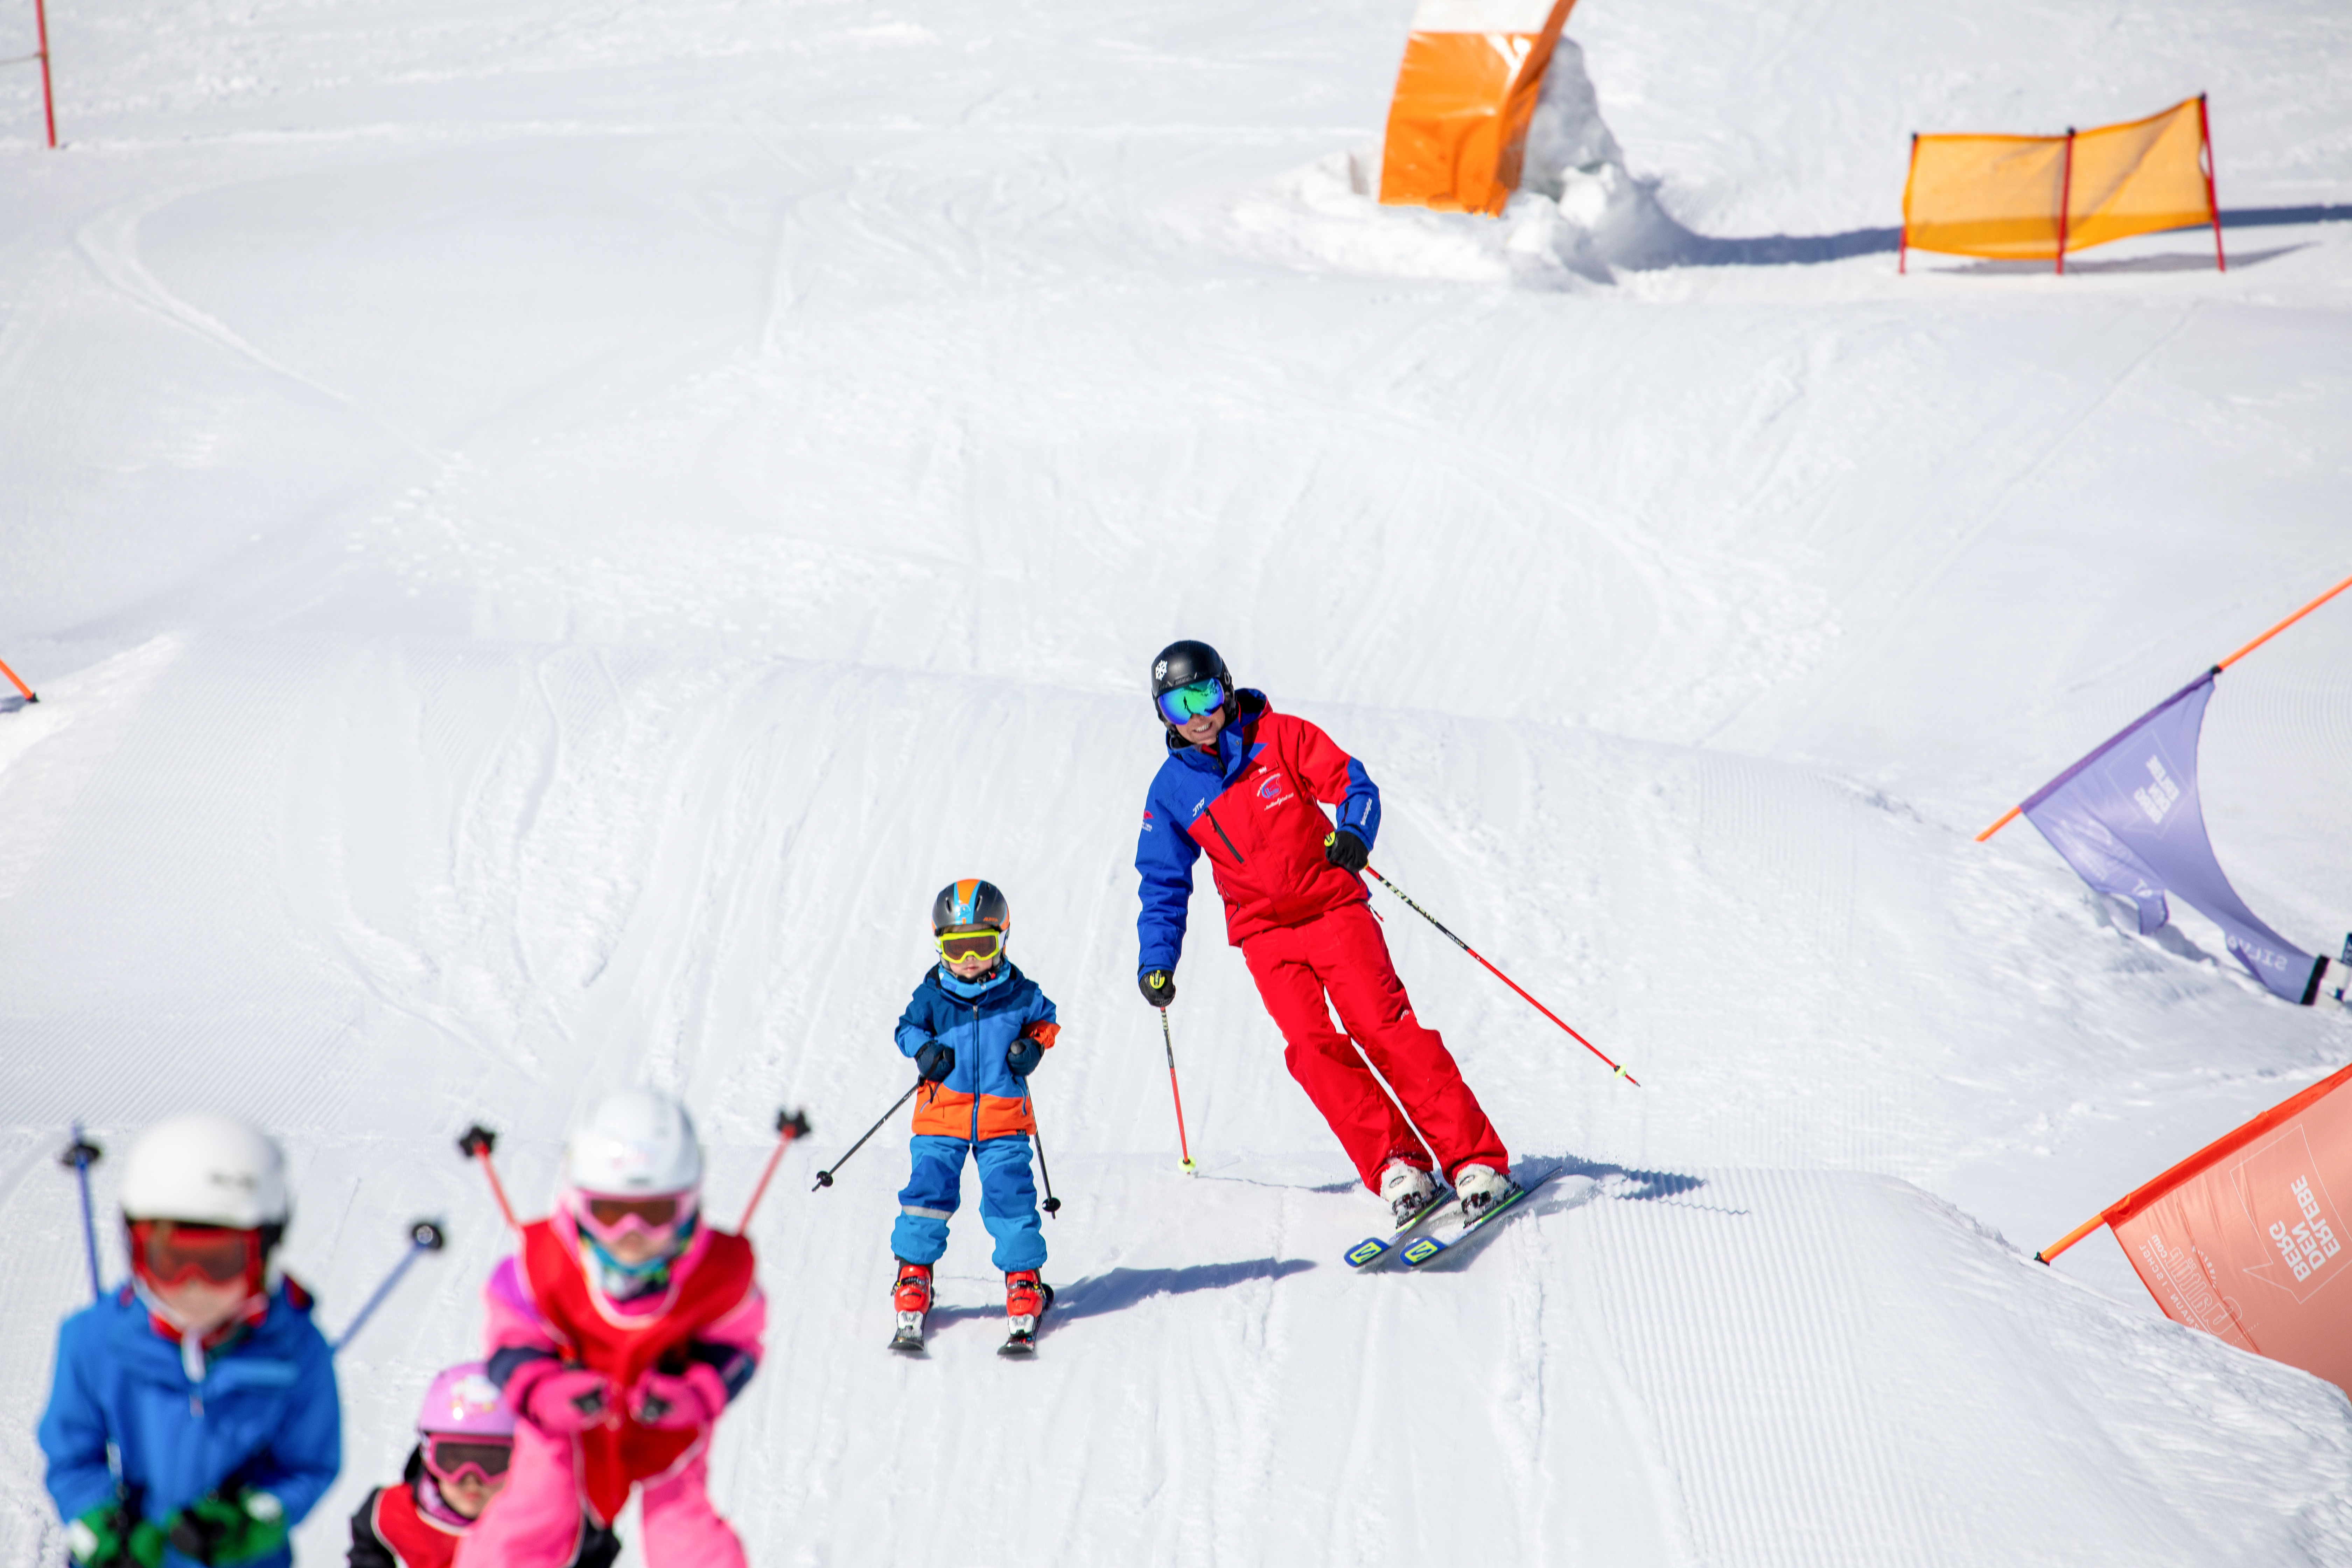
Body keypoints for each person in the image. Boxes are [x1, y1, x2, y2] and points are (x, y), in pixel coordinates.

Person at [1133, 639, 1512, 1226]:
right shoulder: (1172, 790)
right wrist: (1156, 958)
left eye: (1205, 694)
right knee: (1312, 1049)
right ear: (1164, 714)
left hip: (1334, 910)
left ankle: (1473, 1160)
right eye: (1181, 704)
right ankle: (1397, 1164)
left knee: (1383, 1029)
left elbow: (1352, 784)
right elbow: (1163, 881)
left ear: (1226, 687)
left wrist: (1354, 833)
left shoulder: (1281, 737)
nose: (1199, 714)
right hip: (1266, 939)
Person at [453, 1091, 762, 1568]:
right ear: (579, 1203)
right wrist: (540, 1389)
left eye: (656, 1214)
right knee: (536, 1510)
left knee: (682, 1524)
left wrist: (696, 1392)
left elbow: (737, 1344)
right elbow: (511, 1334)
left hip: (664, 1413)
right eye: (611, 1214)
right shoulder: (545, 1264)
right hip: (566, 1416)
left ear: (688, 1206)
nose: (631, 1234)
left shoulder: (717, 1271)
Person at [38, 1112, 341, 1568]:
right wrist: (100, 1522)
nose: (193, 1287)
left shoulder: (297, 1350)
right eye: (170, 1259)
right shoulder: (93, 1340)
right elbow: (71, 1456)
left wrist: (252, 1519)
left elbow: (307, 1465)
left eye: (220, 1263)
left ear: (266, 1251)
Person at [887, 878, 1062, 1345]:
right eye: (957, 947)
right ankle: (913, 1277)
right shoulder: (932, 997)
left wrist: (1032, 1047)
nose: (969, 960)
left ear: (1001, 939)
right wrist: (924, 1050)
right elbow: (905, 1029)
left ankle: (1023, 1281)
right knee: (927, 1196)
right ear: (940, 944)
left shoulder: (1020, 994)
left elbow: (1047, 1021)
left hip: (1003, 1120)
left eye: (980, 946)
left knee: (1011, 1198)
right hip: (940, 1117)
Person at [348, 1363, 618, 1568]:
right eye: (451, 1461)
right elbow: (369, 1535)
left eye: (493, 1462)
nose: (471, 1480)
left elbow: (596, 1545)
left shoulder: (545, 1521)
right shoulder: (400, 1512)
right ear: (427, 1455)